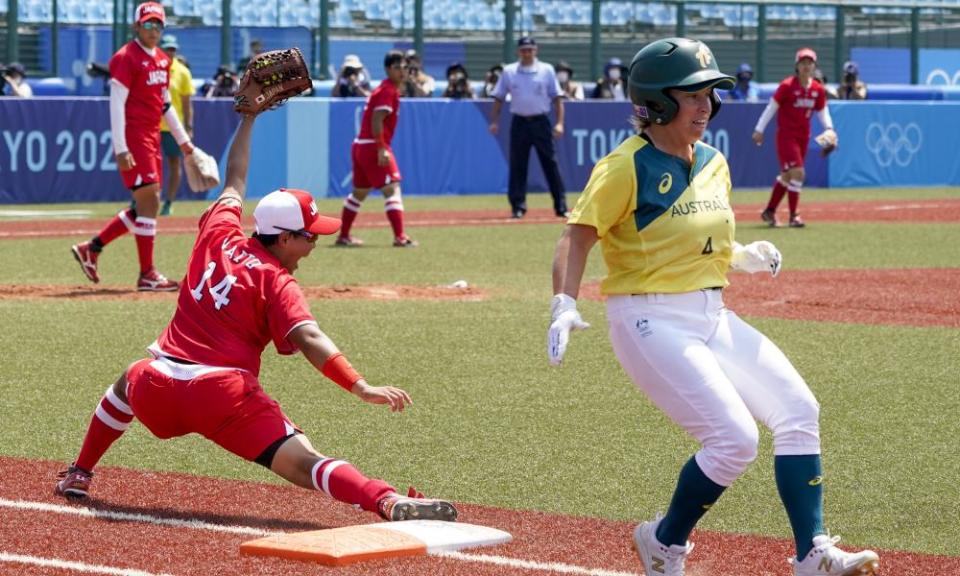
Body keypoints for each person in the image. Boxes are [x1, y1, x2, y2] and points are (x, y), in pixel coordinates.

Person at [547, 37, 880, 576]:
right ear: (656, 100)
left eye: (712, 95)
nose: (707, 106)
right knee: (734, 438)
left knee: (799, 411)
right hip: (647, 317)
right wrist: (562, 302)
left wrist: (743, 255)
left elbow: (711, 239)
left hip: (710, 313)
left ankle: (812, 553)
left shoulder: (713, 162)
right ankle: (664, 543)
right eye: (693, 94)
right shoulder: (623, 167)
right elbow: (577, 236)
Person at [54, 109, 459, 526]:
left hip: (158, 385)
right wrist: (359, 386)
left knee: (128, 378)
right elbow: (310, 338)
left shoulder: (219, 231)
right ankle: (384, 499)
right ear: (283, 237)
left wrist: (246, 119)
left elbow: (235, 179)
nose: (314, 243)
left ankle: (80, 472)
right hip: (221, 397)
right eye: (309, 235)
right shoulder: (276, 281)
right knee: (306, 463)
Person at [70, 2, 196, 291]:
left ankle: (93, 248)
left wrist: (184, 141)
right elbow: (116, 105)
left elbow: (165, 104)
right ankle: (147, 273)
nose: (154, 30)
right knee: (150, 200)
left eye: (158, 25)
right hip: (134, 137)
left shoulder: (164, 60)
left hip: (152, 136)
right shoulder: (126, 57)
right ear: (136, 26)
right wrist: (121, 147)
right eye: (148, 24)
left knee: (145, 203)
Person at [335, 50, 417, 248]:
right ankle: (400, 237)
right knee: (392, 189)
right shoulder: (387, 90)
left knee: (360, 192)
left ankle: (343, 236)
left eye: (405, 67)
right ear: (388, 69)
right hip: (373, 146)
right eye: (397, 67)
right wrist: (381, 148)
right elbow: (377, 119)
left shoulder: (384, 89)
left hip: (361, 145)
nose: (402, 71)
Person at [752, 47, 837, 228]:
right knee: (798, 173)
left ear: (814, 66)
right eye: (803, 62)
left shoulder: (817, 89)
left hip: (803, 137)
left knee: (787, 176)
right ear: (796, 66)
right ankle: (794, 216)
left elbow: (823, 113)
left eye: (810, 62)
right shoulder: (787, 86)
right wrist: (759, 129)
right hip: (786, 136)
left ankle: (769, 211)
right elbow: (771, 108)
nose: (806, 66)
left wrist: (829, 129)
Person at [488, 36, 568, 219]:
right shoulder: (509, 71)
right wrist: (494, 120)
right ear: (518, 51)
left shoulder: (546, 70)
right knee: (518, 165)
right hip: (520, 122)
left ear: (536, 50)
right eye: (524, 50)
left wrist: (560, 123)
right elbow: (499, 98)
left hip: (541, 120)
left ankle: (561, 206)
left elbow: (557, 98)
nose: (527, 53)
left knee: (550, 164)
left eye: (530, 49)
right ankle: (518, 206)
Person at [159, 34, 196, 216]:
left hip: (173, 127)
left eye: (173, 49)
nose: (170, 52)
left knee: (174, 164)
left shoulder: (182, 72)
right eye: (167, 48)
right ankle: (139, 200)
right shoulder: (152, 67)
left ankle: (168, 202)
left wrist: (188, 127)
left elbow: (187, 103)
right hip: (150, 124)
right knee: (148, 164)